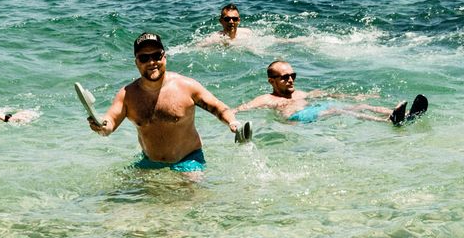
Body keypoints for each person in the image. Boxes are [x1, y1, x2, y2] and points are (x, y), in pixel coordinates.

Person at [89, 32, 246, 170]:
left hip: (189, 160)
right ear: (136, 62)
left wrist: (233, 123)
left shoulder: (187, 86)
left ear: (164, 57)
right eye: (144, 58)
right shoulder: (127, 95)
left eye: (156, 56)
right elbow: (109, 123)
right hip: (149, 161)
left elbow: (219, 108)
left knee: (191, 194)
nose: (151, 62)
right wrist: (100, 126)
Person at [235, 61, 425, 125]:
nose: (291, 79)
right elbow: (241, 109)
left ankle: (406, 115)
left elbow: (329, 94)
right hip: (296, 118)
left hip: (314, 110)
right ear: (272, 81)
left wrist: (354, 97)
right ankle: (388, 121)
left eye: (293, 75)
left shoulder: (300, 93)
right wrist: (231, 118)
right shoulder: (267, 98)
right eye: (285, 77)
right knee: (338, 111)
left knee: (360, 106)